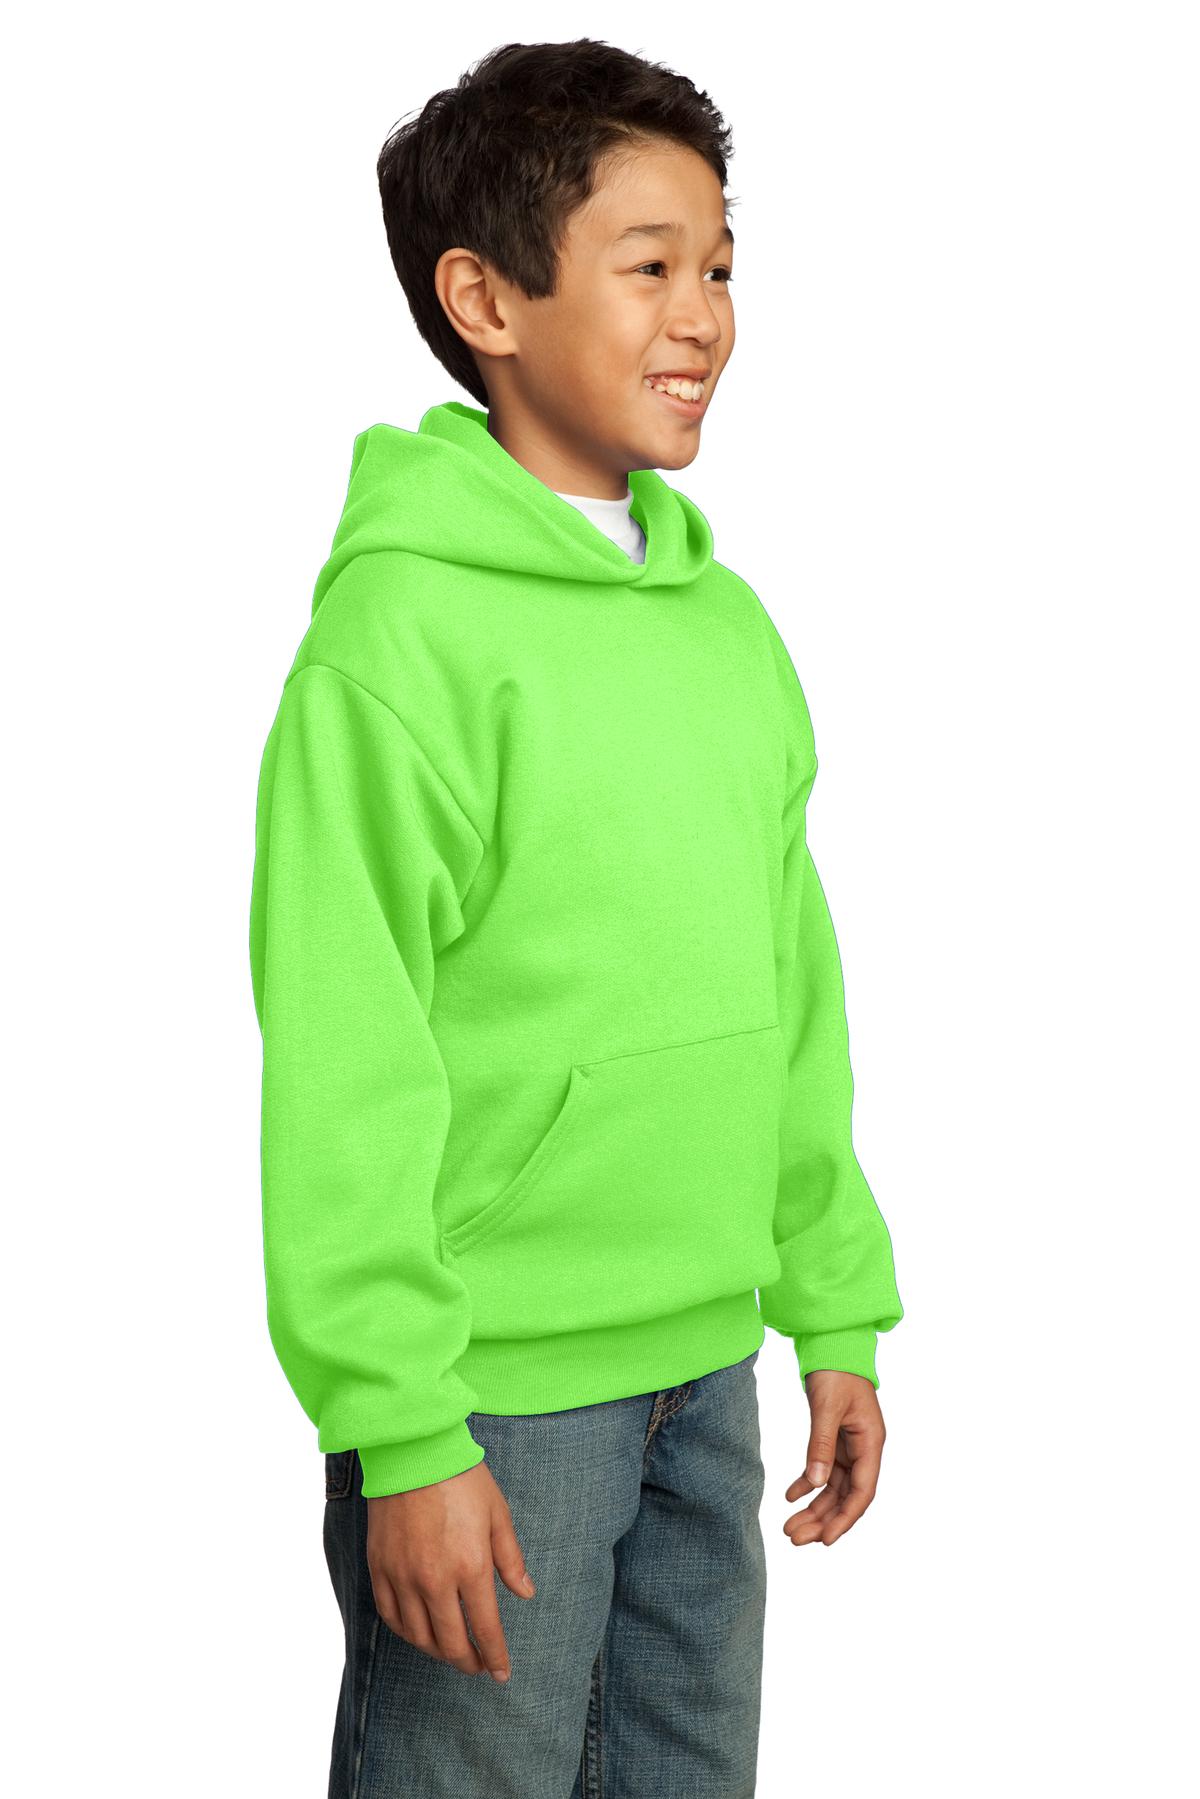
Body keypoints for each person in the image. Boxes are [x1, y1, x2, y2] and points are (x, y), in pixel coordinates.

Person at [248, 36, 904, 1799]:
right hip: (490, 1401)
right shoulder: (399, 644)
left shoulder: (726, 630)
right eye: (649, 266)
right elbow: (347, 1053)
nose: (703, 317)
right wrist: (401, 1426)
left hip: (709, 1368)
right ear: (486, 300)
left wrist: (833, 1310)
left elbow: (790, 989)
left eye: (721, 267)